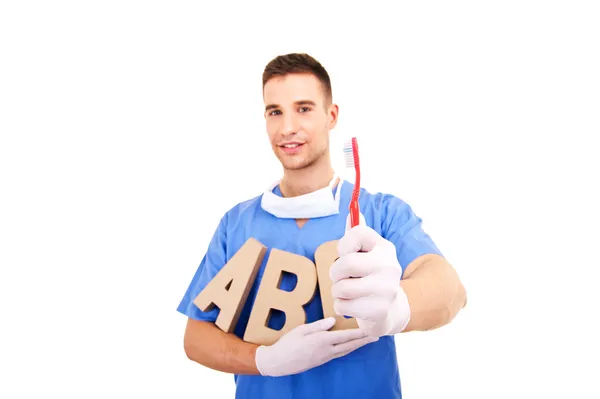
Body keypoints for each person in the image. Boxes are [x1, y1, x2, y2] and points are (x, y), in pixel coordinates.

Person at [177, 53, 467, 399]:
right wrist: (264, 360)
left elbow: (450, 291)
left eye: (303, 108)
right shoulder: (236, 224)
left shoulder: (379, 213)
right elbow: (195, 337)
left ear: (331, 116)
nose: (287, 128)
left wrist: (397, 308)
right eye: (275, 112)